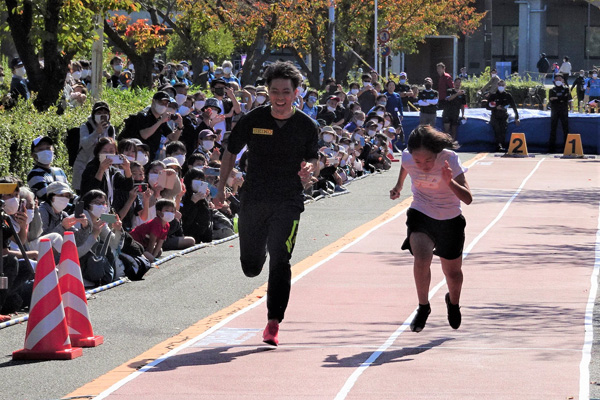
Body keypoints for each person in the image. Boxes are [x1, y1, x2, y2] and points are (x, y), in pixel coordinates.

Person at [213, 61, 320, 346]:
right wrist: (221, 187)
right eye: (274, 91)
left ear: (296, 92)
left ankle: (273, 321)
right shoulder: (253, 120)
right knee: (251, 266)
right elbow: (230, 152)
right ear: (268, 92)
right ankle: (254, 256)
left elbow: (314, 160)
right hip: (254, 199)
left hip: (288, 200)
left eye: (286, 91)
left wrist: (309, 170)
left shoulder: (306, 126)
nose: (280, 96)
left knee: (281, 258)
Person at [389, 125, 472, 332]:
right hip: (421, 213)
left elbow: (468, 198)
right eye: (418, 161)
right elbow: (406, 165)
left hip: (450, 219)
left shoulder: (449, 158)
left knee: (452, 274)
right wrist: (399, 186)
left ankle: (453, 303)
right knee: (422, 258)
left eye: (428, 160)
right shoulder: (408, 157)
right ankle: (423, 307)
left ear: (437, 154)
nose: (422, 165)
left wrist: (449, 181)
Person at [27, 136, 70, 202]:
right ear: (33, 155)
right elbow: (47, 197)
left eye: (48, 148)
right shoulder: (34, 174)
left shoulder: (59, 171)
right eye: (41, 149)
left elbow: (69, 192)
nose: (46, 152)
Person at [486, 80, 520, 151]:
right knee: (497, 128)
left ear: (505, 86)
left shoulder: (507, 95)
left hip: (504, 116)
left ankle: (503, 144)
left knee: (503, 128)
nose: (501, 86)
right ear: (497, 86)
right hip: (495, 115)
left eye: (502, 85)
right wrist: (495, 107)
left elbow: (514, 106)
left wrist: (517, 118)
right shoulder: (493, 95)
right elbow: (487, 106)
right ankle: (498, 145)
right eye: (499, 85)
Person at [548, 75, 573, 153]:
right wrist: (561, 98)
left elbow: (567, 99)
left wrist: (558, 98)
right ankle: (551, 148)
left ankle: (567, 147)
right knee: (553, 128)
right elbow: (551, 99)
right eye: (556, 79)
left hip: (564, 110)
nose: (558, 80)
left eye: (560, 79)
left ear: (563, 80)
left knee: (565, 128)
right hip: (555, 110)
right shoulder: (552, 90)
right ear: (554, 81)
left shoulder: (566, 89)